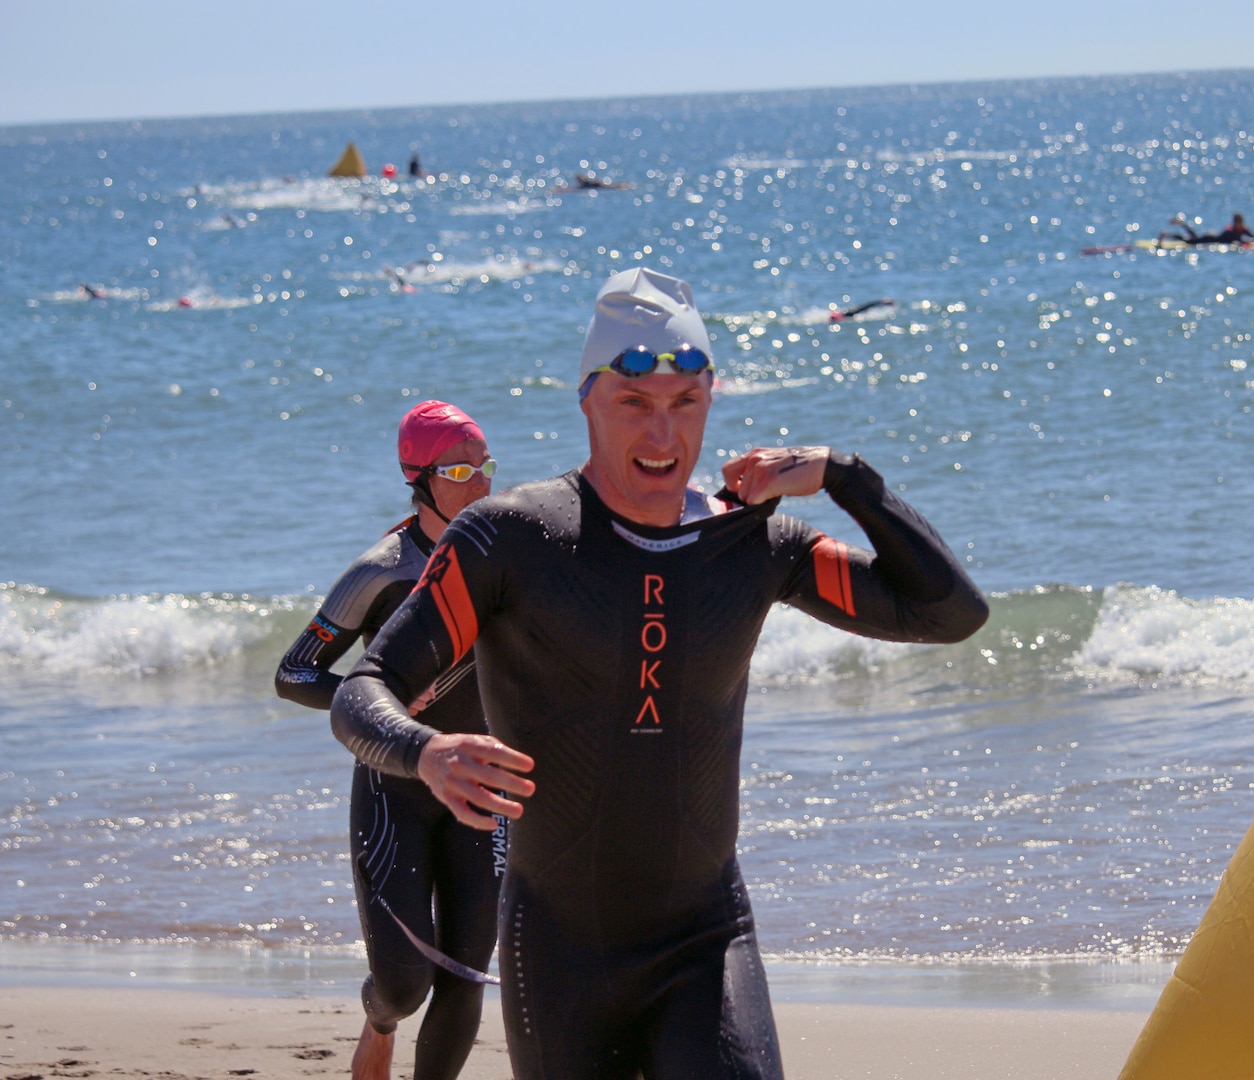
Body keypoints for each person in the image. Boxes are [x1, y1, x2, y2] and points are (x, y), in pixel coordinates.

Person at [329, 268, 989, 1079]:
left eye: (686, 402)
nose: (663, 434)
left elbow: (950, 613)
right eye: (634, 403)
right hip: (560, 950)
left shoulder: (754, 546)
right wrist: (424, 752)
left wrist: (844, 475)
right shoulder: (510, 539)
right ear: (586, 402)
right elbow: (364, 690)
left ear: (713, 397)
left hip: (705, 942)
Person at [276, 400, 502, 1080]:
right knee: (406, 985)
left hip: (481, 785)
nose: (480, 483)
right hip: (393, 784)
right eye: (460, 469)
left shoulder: (506, 558)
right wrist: (382, 704)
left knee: (464, 975)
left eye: (485, 466)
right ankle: (378, 1020)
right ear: (419, 478)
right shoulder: (382, 570)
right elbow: (295, 672)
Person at [1158, 212, 1254, 246]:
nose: (1239, 225)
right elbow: (1236, 240)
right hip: (1211, 238)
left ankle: (1179, 224)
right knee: (1190, 241)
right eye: (1237, 223)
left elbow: (1252, 236)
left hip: (1212, 236)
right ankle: (1167, 234)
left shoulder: (1243, 229)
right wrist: (1249, 241)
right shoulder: (1230, 230)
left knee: (1193, 237)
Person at [829, 297, 896, 322]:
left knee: (867, 307)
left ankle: (884, 302)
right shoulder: (846, 316)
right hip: (855, 313)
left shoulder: (846, 315)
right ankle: (884, 302)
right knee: (867, 307)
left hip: (856, 312)